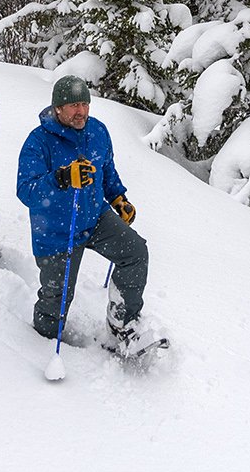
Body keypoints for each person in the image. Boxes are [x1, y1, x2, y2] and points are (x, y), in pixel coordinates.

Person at [16, 74, 150, 347]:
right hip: (56, 230)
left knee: (135, 252)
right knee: (57, 299)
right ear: (58, 108)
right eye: (74, 105)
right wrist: (61, 178)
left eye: (85, 104)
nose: (81, 112)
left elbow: (107, 171)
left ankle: (122, 325)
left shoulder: (97, 131)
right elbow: (26, 190)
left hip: (94, 217)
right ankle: (40, 346)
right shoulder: (38, 141)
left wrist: (118, 199)